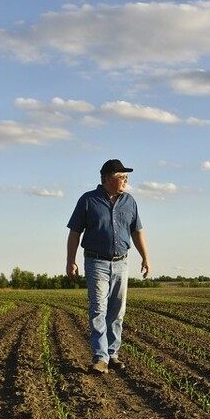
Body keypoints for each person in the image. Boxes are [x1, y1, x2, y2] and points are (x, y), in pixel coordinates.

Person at [65, 158, 151, 374]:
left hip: (122, 262)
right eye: (122, 177)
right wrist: (70, 261)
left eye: (126, 177)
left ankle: (113, 354)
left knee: (117, 311)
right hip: (96, 262)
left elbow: (136, 231)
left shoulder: (129, 202)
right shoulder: (88, 200)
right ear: (108, 179)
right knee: (98, 309)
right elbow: (75, 232)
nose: (125, 180)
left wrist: (145, 258)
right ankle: (100, 357)